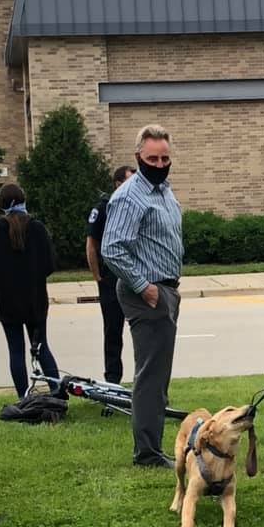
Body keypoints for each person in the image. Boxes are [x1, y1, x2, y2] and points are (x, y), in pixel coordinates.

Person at [101, 123, 183, 469]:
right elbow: (112, 248)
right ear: (139, 156)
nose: (160, 163)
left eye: (165, 157)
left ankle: (151, 446)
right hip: (147, 292)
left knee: (158, 375)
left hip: (165, 289)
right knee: (151, 377)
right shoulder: (129, 195)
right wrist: (145, 287)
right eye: (153, 158)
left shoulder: (163, 190)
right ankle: (147, 453)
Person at [0, 183, 59, 398]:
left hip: (7, 301)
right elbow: (50, 264)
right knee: (42, 346)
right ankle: (56, 390)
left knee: (15, 350)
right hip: (35, 299)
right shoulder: (37, 228)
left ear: (2, 205)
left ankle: (23, 396)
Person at [85, 165, 136, 384]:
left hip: (135, 278)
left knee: (144, 334)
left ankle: (146, 387)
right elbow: (91, 244)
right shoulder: (104, 208)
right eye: (130, 181)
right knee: (113, 333)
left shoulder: (137, 206)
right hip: (111, 279)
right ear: (118, 184)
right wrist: (98, 277)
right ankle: (113, 382)